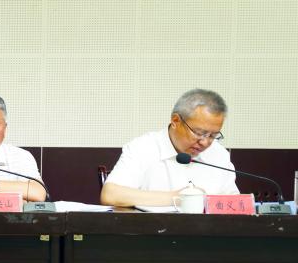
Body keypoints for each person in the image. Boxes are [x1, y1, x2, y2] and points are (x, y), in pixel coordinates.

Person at [101, 89, 238, 207]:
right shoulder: (143, 147)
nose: (205, 142)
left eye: (213, 135)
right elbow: (110, 195)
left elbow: (234, 203)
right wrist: (178, 198)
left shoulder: (219, 154)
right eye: (199, 133)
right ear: (175, 121)